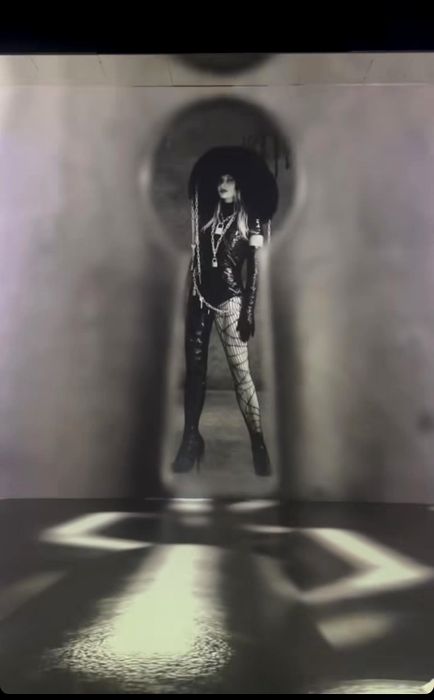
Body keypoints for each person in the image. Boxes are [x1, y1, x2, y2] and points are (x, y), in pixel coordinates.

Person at [172, 146, 278, 476]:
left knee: (241, 375)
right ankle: (191, 440)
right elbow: (197, 260)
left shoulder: (252, 220)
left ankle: (258, 443)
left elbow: (255, 270)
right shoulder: (207, 217)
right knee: (195, 371)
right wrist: (188, 294)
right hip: (199, 297)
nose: (223, 184)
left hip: (231, 299)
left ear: (239, 184)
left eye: (230, 180)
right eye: (220, 180)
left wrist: (248, 310)